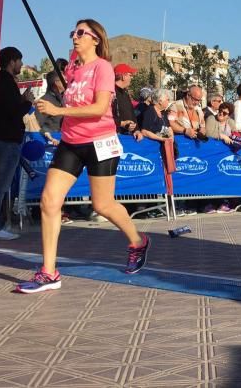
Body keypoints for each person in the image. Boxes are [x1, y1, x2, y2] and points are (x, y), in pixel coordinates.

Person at [17, 19, 150, 293]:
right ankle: (49, 272)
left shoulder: (103, 68)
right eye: (73, 33)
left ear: (96, 39)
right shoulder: (72, 69)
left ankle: (138, 241)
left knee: (102, 205)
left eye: (81, 33)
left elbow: (100, 108)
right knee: (49, 201)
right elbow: (71, 102)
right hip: (70, 142)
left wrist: (58, 112)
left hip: (100, 142)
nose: (74, 37)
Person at [0, 46, 33, 241]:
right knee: (0, 183)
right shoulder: (5, 81)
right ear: (12, 61)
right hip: (6, 140)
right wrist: (27, 102)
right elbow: (13, 112)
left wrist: (21, 100)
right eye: (20, 61)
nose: (21, 65)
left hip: (5, 138)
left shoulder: (4, 82)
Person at [113, 63, 141, 141]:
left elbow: (131, 113)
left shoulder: (125, 93)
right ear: (123, 76)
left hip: (127, 136)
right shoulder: (111, 92)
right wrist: (121, 123)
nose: (131, 78)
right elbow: (106, 116)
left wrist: (136, 130)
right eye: (130, 75)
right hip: (114, 136)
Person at [36, 71, 65, 146]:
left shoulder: (63, 99)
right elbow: (39, 124)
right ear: (56, 82)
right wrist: (51, 138)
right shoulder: (44, 100)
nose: (66, 81)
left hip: (64, 139)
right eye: (63, 79)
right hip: (50, 144)